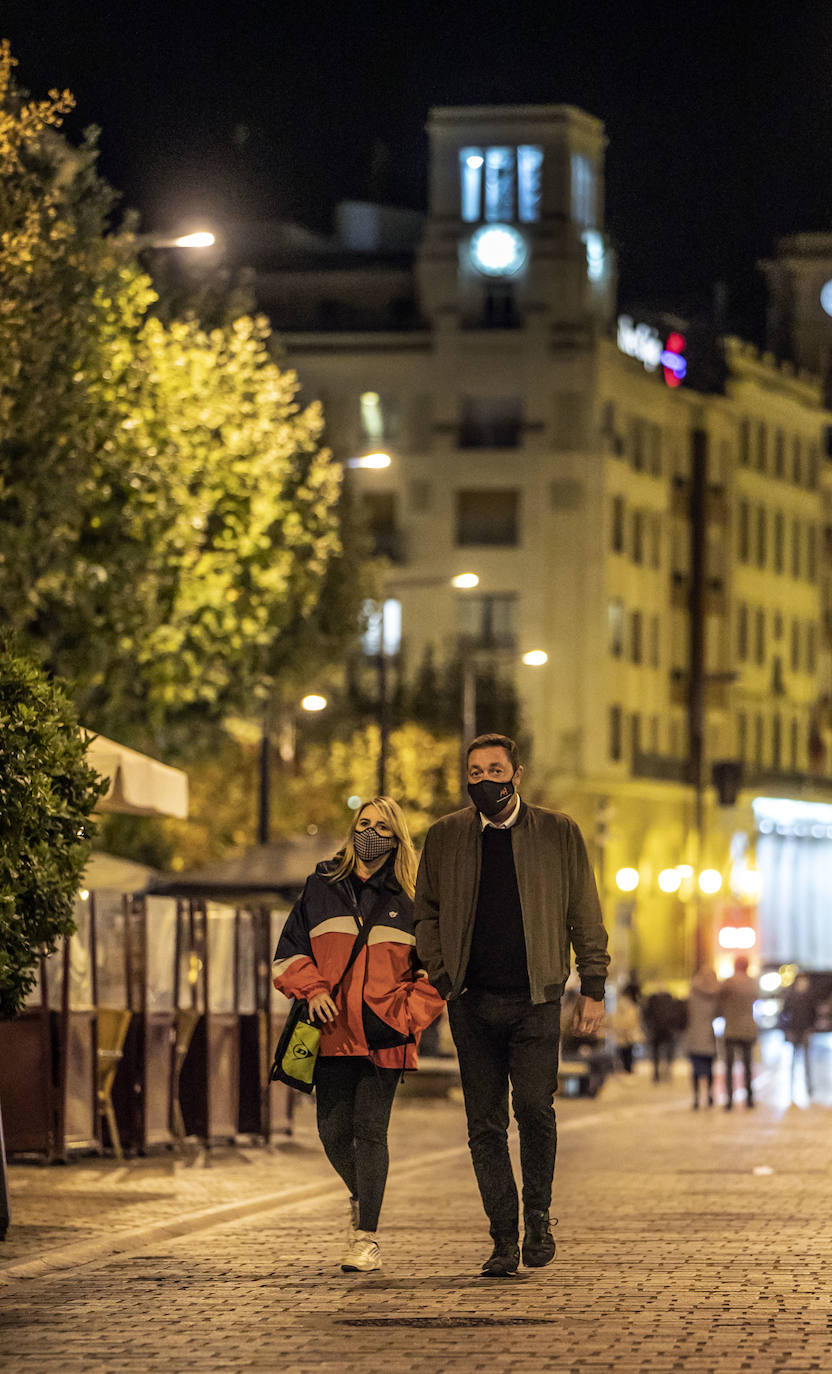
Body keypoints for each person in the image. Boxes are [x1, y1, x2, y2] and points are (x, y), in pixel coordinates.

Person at [413, 733, 608, 1278]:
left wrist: (594, 984)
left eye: (495, 770)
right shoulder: (446, 836)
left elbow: (584, 910)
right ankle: (502, 1236)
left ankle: (538, 1219)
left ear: (516, 774)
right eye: (474, 773)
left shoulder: (557, 832)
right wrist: (443, 971)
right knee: (484, 1124)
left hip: (536, 1000)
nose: (484, 781)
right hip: (471, 1001)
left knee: (535, 1110)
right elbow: (423, 912)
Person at [272, 797, 444, 1274]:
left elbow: (437, 973)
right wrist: (313, 989)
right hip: (330, 1033)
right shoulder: (320, 888)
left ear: (396, 838)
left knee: (370, 1133)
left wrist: (405, 1016)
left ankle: (365, 1236)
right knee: (332, 1133)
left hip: (384, 1037)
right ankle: (362, 1194)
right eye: (362, 824)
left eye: (381, 826)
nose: (369, 832)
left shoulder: (412, 901)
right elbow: (288, 954)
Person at [719, 954, 758, 1109]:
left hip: (731, 1029)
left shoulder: (728, 983)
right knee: (748, 1066)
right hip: (748, 1028)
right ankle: (749, 1099)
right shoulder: (752, 983)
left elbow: (720, 1002)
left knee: (729, 1066)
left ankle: (729, 1100)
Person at [684, 968, 719, 1108]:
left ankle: (696, 1097)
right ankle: (709, 1094)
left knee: (695, 1069)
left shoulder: (692, 992)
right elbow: (718, 1013)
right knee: (709, 1068)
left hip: (694, 1034)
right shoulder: (715, 995)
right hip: (709, 1035)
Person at [780, 974, 815, 1100]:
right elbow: (784, 1014)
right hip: (794, 1031)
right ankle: (791, 1086)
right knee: (793, 1061)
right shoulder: (791, 996)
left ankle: (809, 1088)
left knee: (807, 1062)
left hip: (805, 1032)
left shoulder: (809, 996)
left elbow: (813, 1015)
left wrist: (810, 1029)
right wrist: (787, 1029)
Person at [641, 988, 679, 1083]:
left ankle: (656, 1073)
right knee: (668, 1051)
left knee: (656, 1052)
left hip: (656, 1029)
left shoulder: (652, 1000)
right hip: (667, 1030)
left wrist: (649, 1026)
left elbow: (645, 1014)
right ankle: (666, 1070)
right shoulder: (670, 1000)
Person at [608, 981, 642, 1074]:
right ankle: (627, 1070)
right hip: (625, 1032)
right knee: (627, 1052)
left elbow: (618, 1017)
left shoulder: (623, 1002)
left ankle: (626, 1069)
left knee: (625, 1052)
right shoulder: (629, 1004)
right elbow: (629, 1018)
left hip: (624, 1032)